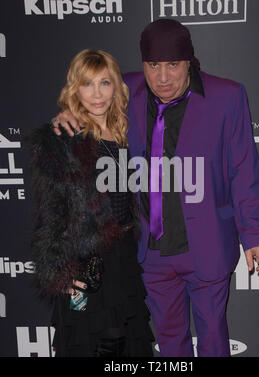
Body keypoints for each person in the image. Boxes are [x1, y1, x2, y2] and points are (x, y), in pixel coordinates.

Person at [52, 20, 259, 357]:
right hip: (151, 251)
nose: (163, 77)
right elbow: (87, 96)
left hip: (206, 243)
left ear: (189, 62)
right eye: (154, 65)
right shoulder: (125, 89)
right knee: (170, 344)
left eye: (173, 65)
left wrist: (254, 233)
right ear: (144, 65)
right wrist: (66, 114)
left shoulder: (227, 96)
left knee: (213, 338)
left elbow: (243, 169)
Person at [30, 49, 154, 357]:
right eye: (87, 84)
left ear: (117, 86)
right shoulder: (64, 135)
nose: (97, 94)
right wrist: (59, 269)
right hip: (87, 258)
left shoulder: (125, 130)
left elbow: (160, 80)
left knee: (129, 343)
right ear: (75, 88)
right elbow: (51, 210)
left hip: (123, 253)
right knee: (95, 342)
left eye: (105, 83)